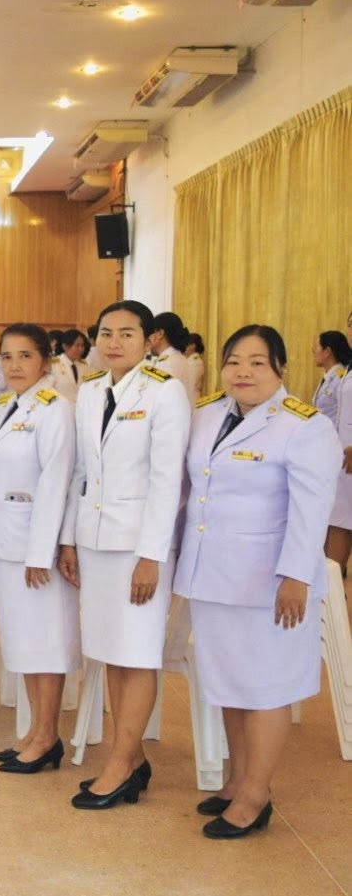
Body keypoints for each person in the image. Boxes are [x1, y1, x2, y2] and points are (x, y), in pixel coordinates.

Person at [175, 325, 338, 838]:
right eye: (233, 362)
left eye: (257, 362)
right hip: (213, 576)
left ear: (281, 369)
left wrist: (295, 577)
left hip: (269, 583)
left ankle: (255, 795)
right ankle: (236, 780)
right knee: (230, 682)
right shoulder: (207, 415)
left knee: (266, 687)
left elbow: (312, 511)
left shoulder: (305, 426)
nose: (242, 372)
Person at [59, 300, 189, 809]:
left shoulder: (165, 391)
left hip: (139, 547)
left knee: (135, 654)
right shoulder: (92, 392)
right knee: (112, 652)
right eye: (106, 333)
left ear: (148, 339)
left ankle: (119, 762)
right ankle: (131, 757)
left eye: (127, 333)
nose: (114, 342)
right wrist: (69, 538)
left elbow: (167, 480)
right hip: (95, 542)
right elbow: (80, 473)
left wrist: (151, 555)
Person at [0, 324, 79, 773]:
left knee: (45, 643)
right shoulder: (4, 407)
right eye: (7, 357)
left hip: (36, 550)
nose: (15, 365)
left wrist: (42, 553)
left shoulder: (55, 410)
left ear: (46, 362)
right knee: (22, 642)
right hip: (5, 543)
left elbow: (57, 483)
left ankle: (48, 734)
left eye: (25, 356)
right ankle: (36, 731)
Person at [330, 317, 352, 575]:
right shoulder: (347, 367)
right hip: (344, 451)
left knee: (341, 517)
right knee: (341, 518)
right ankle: (334, 583)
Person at [148, 311, 195, 403]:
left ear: (160, 333)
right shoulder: (178, 357)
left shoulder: (166, 364)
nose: (148, 339)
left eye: (150, 333)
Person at [311, 330, 349, 420]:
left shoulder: (342, 380)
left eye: (317, 347)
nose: (314, 351)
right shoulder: (329, 376)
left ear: (327, 351)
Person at [51, 329, 88, 404]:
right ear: (65, 346)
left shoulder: (84, 366)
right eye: (77, 345)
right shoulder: (54, 365)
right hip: (60, 408)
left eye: (82, 345)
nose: (81, 349)